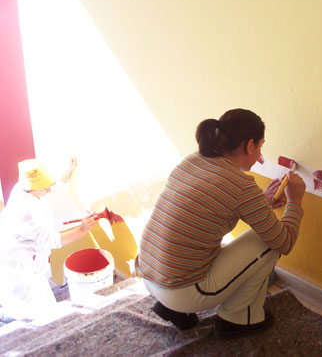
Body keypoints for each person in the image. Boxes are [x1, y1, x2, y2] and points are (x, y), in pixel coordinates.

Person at [136, 108, 306, 338]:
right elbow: (284, 242)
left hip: (150, 276)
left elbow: (209, 210)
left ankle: (173, 308)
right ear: (249, 145)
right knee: (267, 242)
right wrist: (295, 201)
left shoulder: (193, 160)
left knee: (212, 242)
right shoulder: (241, 186)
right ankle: (237, 320)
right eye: (260, 146)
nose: (260, 156)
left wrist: (261, 201)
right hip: (181, 291)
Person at [0, 158, 97, 319]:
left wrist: (65, 173)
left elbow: (47, 184)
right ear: (31, 189)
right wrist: (82, 230)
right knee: (33, 314)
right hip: (18, 268)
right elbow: (53, 241)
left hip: (30, 262)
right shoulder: (24, 212)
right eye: (45, 188)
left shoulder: (24, 187)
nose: (50, 190)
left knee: (42, 301)